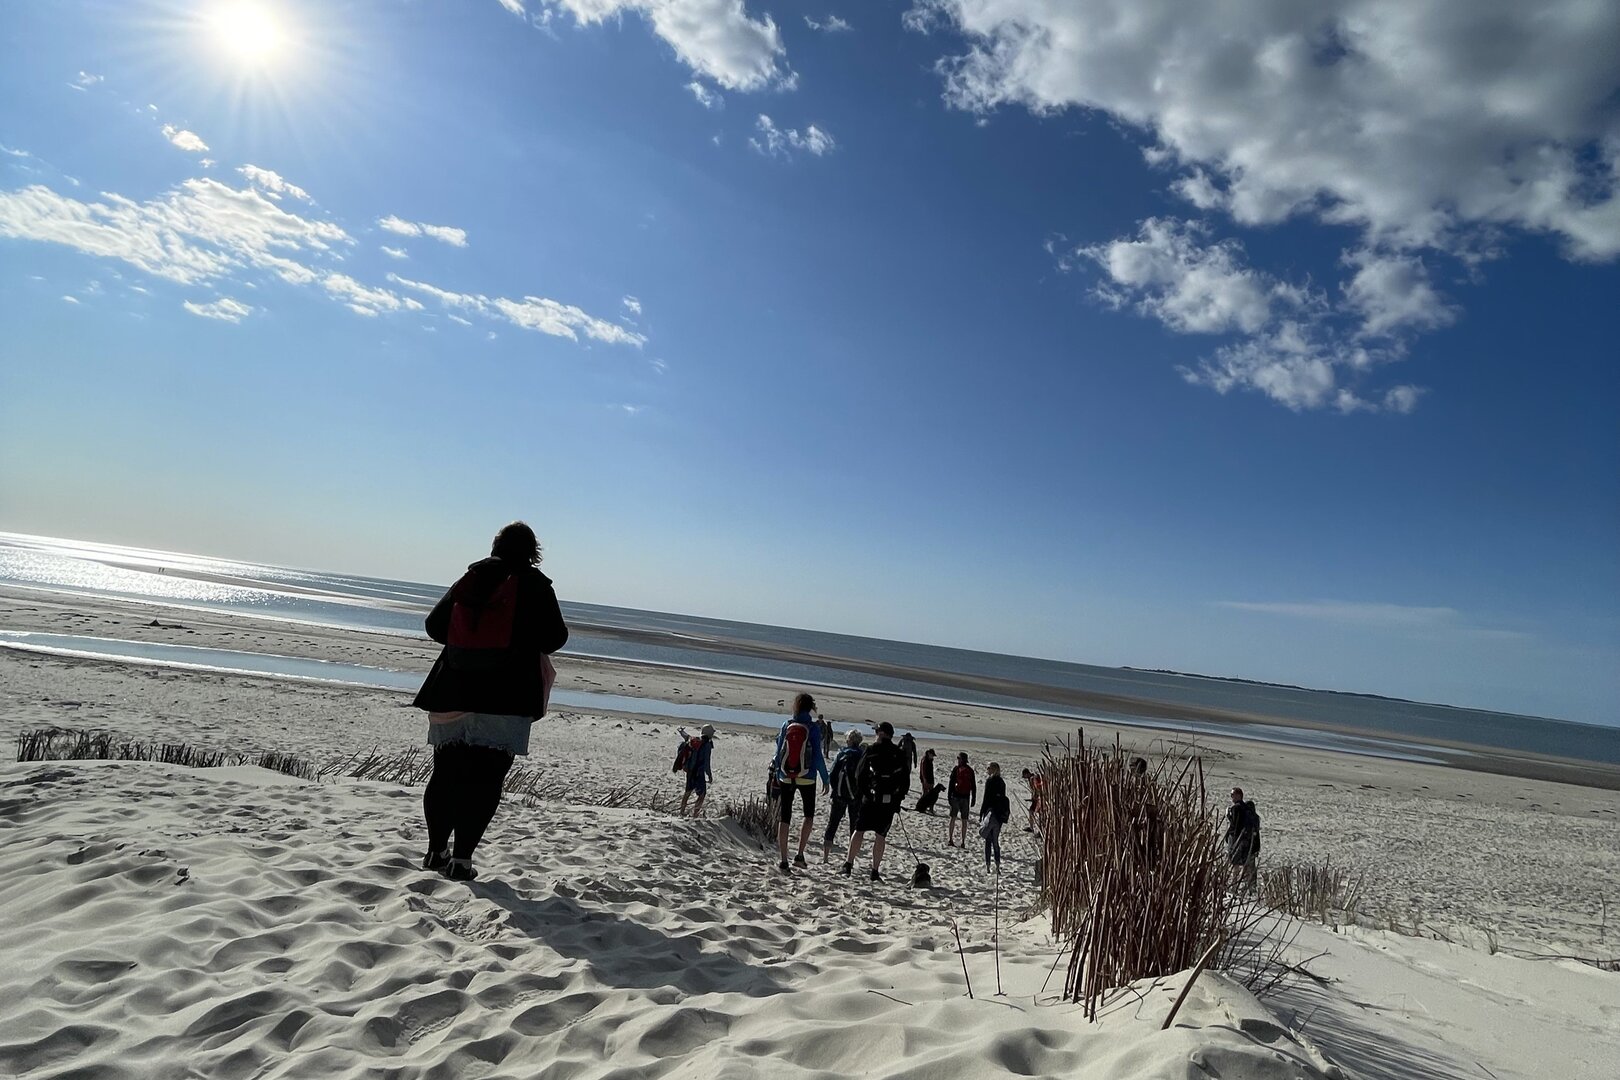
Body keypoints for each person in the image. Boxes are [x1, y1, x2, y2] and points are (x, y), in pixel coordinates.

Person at [412, 521, 568, 881]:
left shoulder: (473, 576)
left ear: (495, 546)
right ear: (533, 553)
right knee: (486, 780)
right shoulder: (535, 584)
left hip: (452, 688)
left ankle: (435, 852)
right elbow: (555, 638)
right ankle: (462, 861)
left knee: (445, 774)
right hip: (507, 696)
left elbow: (434, 625)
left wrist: (468, 641)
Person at [845, 721, 910, 881]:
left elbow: (859, 775)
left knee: (859, 831)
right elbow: (905, 781)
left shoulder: (871, 750)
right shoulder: (899, 753)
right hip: (889, 801)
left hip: (870, 799)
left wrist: (865, 794)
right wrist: (897, 800)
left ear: (881, 733)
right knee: (881, 836)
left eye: (876, 732)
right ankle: (874, 871)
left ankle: (848, 864)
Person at [775, 693, 831, 873]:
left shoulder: (787, 724)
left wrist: (777, 772)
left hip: (786, 775)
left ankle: (783, 859)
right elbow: (818, 756)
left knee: (785, 817)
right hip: (807, 776)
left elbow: (778, 751)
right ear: (811, 707)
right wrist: (825, 778)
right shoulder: (813, 728)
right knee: (808, 815)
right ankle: (799, 855)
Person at [821, 730, 865, 861]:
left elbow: (833, 774)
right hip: (856, 797)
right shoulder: (862, 756)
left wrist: (835, 790)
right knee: (854, 827)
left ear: (849, 740)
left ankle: (825, 857)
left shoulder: (842, 754)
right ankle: (850, 859)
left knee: (832, 824)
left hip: (839, 794)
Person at [1225, 787, 1261, 891]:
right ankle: (1250, 886)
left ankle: (1234, 885)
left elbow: (1235, 825)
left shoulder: (1236, 808)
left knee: (1235, 863)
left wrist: (1229, 817)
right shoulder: (1248, 808)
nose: (1231, 797)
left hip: (1238, 839)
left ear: (1239, 795)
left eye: (1233, 795)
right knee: (1248, 864)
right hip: (1249, 841)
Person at [679, 724, 716, 817]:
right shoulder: (707, 745)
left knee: (687, 792)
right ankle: (695, 814)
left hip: (690, 770)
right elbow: (706, 762)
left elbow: (686, 736)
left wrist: (681, 731)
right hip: (699, 773)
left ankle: (682, 812)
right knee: (702, 794)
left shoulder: (694, 740)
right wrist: (709, 775)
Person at [979, 762, 1011, 871]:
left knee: (988, 839)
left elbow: (986, 798)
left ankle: (988, 865)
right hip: (999, 814)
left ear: (993, 769)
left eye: (988, 768)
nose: (987, 770)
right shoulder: (1002, 782)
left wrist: (982, 812)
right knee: (995, 840)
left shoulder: (990, 781)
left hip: (990, 811)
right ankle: (997, 865)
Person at [947, 752, 977, 847]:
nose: (958, 760)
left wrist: (949, 796)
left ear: (961, 760)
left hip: (956, 797)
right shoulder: (970, 770)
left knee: (953, 818)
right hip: (965, 797)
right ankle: (963, 841)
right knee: (964, 820)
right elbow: (973, 786)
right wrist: (973, 798)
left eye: (959, 758)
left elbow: (951, 783)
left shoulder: (956, 769)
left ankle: (951, 839)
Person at [1021, 767, 1044, 832]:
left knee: (1038, 813)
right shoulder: (1031, 779)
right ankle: (1032, 827)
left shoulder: (1033, 778)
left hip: (1038, 799)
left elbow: (1037, 789)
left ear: (1027, 774)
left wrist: (1035, 796)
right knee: (1031, 811)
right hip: (1036, 799)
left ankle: (1038, 828)